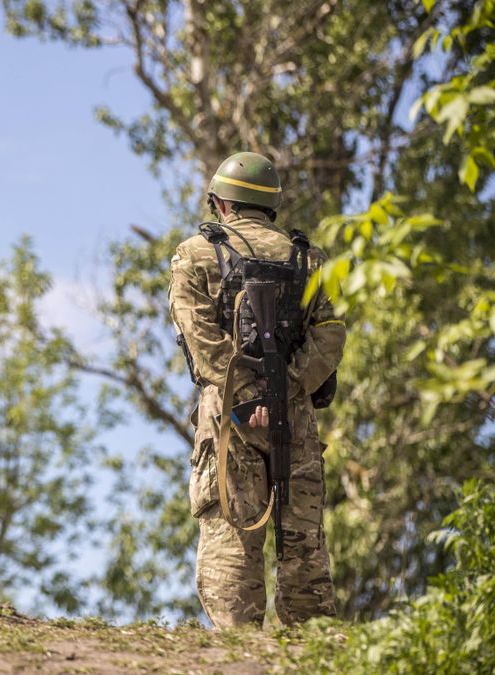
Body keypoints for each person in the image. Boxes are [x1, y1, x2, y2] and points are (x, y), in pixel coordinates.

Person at [168, 152, 346, 628]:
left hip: (229, 418)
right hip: (296, 421)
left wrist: (246, 396)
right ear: (272, 206)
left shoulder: (195, 254)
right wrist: (285, 390)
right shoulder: (311, 260)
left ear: (220, 204)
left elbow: (200, 337)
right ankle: (312, 652)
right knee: (303, 545)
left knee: (231, 537)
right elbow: (330, 334)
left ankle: (238, 651)